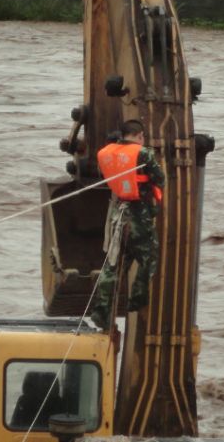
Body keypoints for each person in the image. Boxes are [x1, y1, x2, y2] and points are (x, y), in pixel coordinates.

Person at [90, 119, 164, 330]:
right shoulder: (144, 154)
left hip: (116, 216)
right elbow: (160, 178)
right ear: (140, 136)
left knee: (113, 264)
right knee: (148, 256)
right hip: (139, 217)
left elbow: (104, 175)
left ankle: (101, 311)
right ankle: (137, 300)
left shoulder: (106, 152)